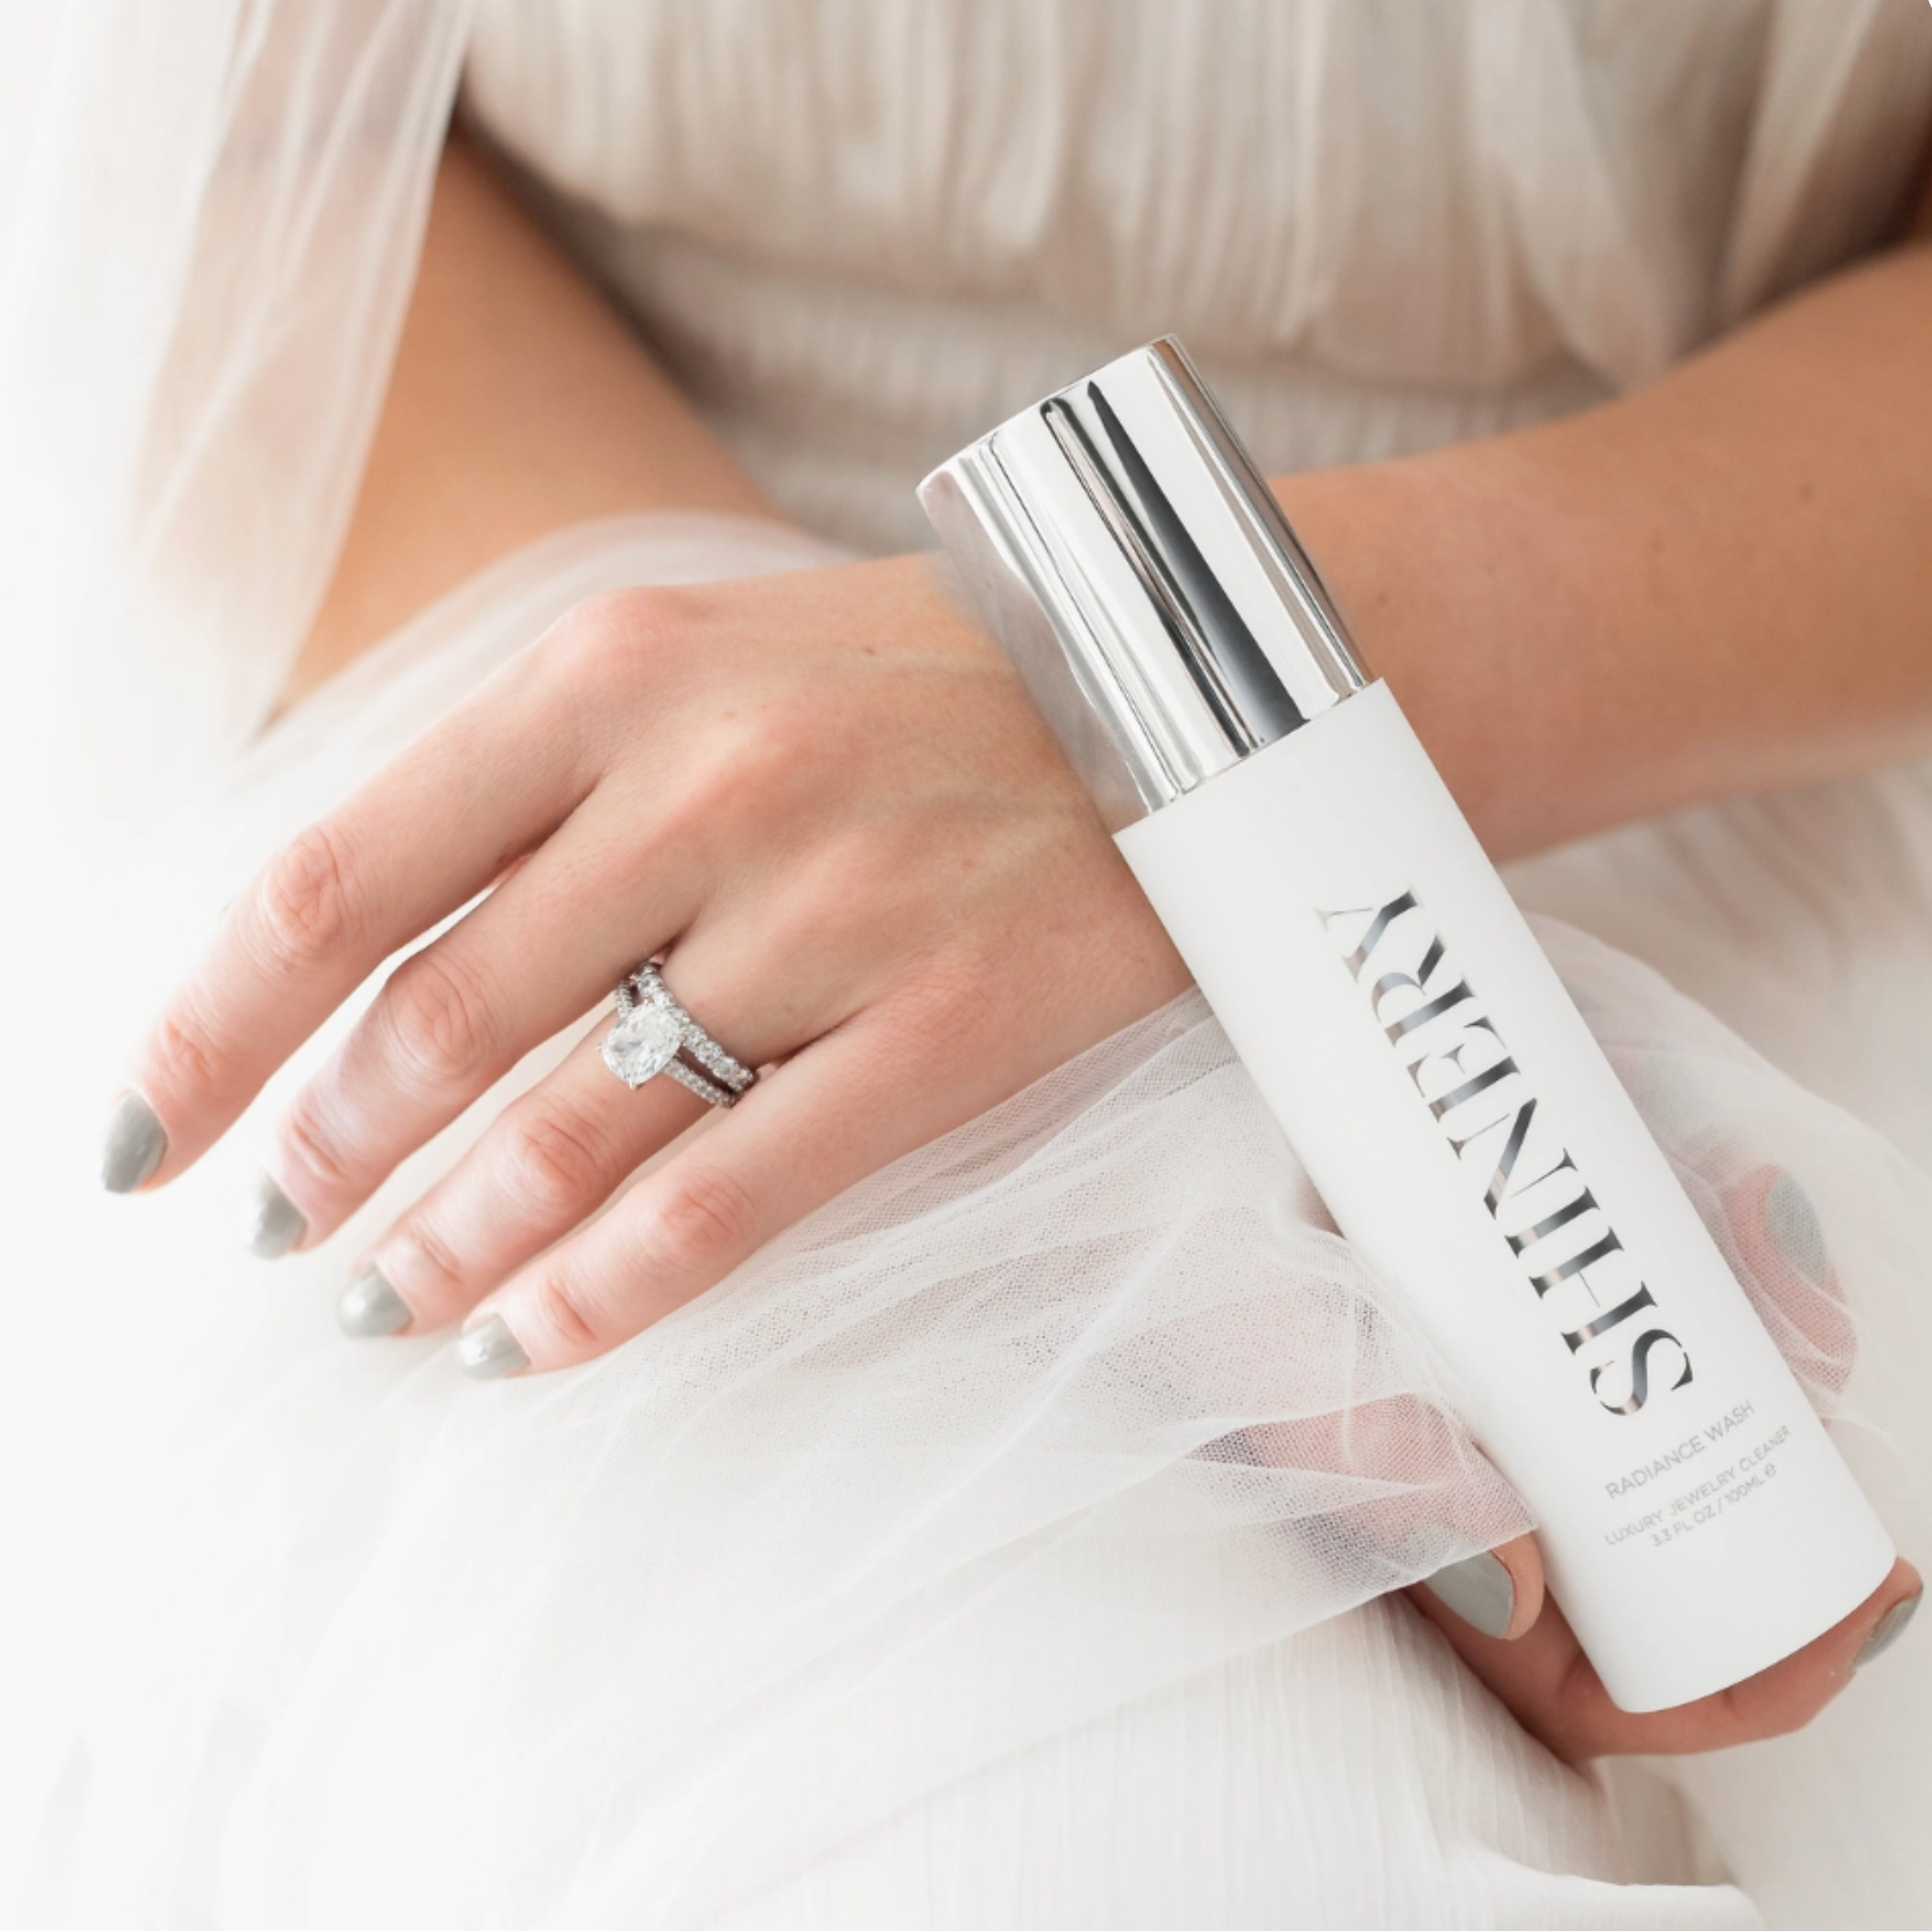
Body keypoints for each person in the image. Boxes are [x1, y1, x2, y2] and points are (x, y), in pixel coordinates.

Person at [5, 4, 1932, 1924]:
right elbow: (219, 165)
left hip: (1690, 681)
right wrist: (826, 836)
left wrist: (1202, 801)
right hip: (559, 653)